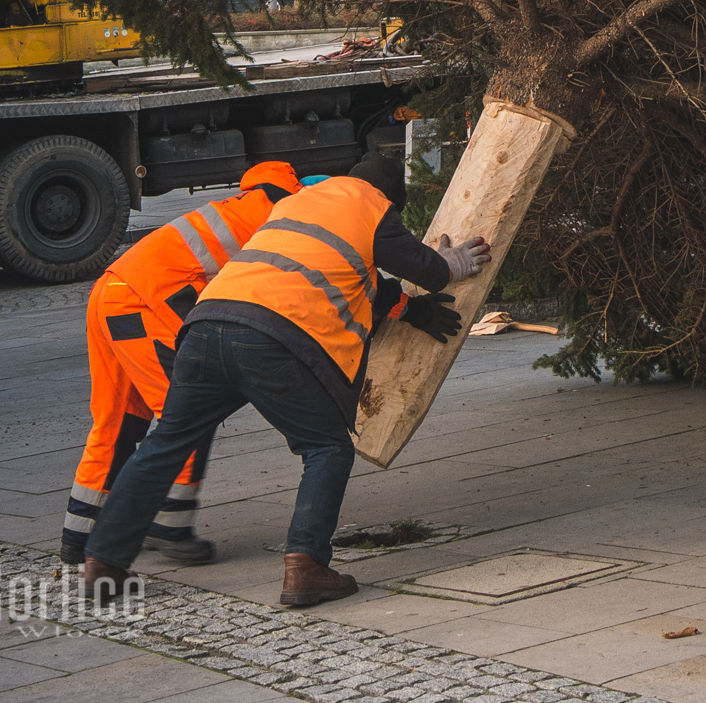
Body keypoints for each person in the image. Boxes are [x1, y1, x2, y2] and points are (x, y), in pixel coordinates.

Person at [82, 149, 490, 607]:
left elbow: (348, 276)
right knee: (326, 447)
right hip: (272, 339)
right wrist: (454, 261)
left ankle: (104, 561)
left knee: (167, 443)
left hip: (205, 325)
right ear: (391, 199)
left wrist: (410, 310)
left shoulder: (297, 204)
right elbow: (428, 270)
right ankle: (306, 567)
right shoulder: (373, 208)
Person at [61, 158, 304, 566]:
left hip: (110, 292)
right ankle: (169, 526)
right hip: (141, 302)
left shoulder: (238, 207)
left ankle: (79, 534)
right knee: (187, 413)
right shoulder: (281, 216)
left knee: (119, 420)